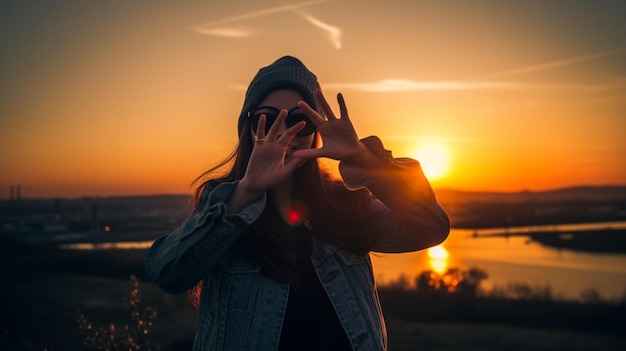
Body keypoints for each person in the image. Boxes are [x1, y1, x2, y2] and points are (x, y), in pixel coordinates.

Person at [146, 56, 450, 351]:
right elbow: (170, 273)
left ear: (315, 131)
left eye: (300, 120)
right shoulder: (223, 208)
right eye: (266, 119)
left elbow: (430, 228)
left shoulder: (345, 206)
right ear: (248, 130)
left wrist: (362, 158)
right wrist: (247, 191)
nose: (285, 130)